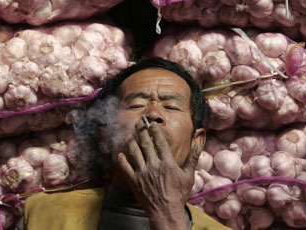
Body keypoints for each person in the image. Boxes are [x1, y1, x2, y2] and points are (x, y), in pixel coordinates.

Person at [18, 57, 231, 229]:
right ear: (104, 138)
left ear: (197, 143)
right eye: (136, 104)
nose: (153, 114)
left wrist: (168, 215)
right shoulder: (43, 214)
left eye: (171, 107)